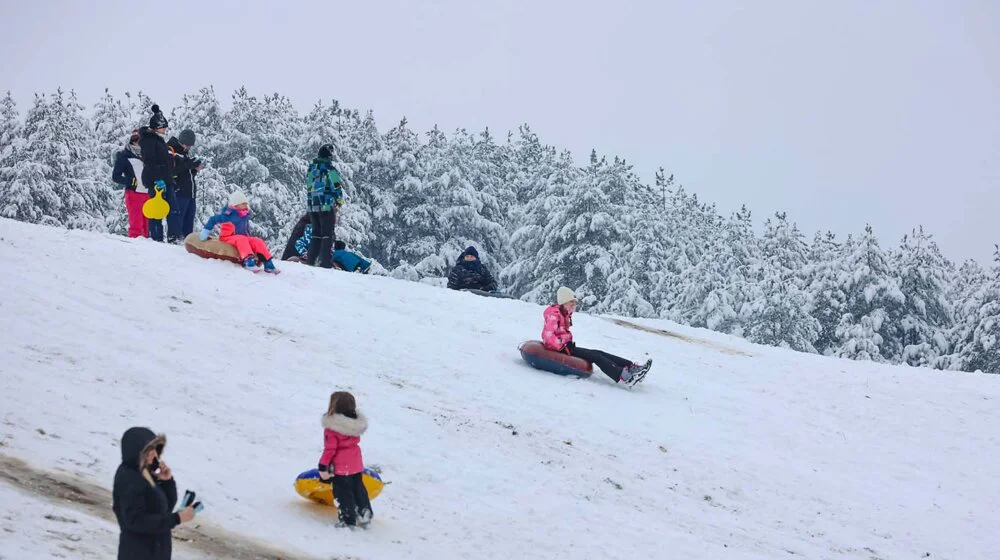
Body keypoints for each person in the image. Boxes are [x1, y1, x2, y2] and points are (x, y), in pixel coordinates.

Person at [112, 427, 196, 560]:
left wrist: (166, 481)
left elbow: (164, 508)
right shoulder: (130, 479)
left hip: (156, 552)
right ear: (137, 453)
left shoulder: (145, 472)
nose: (154, 455)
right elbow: (136, 521)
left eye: (155, 450)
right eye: (148, 451)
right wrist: (177, 518)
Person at [542, 287, 651, 386]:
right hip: (561, 349)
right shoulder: (554, 314)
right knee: (595, 356)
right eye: (571, 303)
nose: (574, 306)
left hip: (567, 347)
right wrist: (561, 346)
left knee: (599, 352)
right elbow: (548, 335)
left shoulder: (563, 313)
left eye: (574, 303)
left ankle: (632, 368)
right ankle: (625, 376)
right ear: (564, 302)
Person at [317, 391, 373, 528]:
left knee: (343, 493)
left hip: (341, 468)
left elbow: (330, 450)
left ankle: (348, 520)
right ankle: (364, 513)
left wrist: (323, 465)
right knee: (358, 489)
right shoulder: (355, 425)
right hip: (356, 464)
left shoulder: (332, 428)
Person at [199, 191, 279, 273]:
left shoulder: (244, 215)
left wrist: (251, 240)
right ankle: (248, 261)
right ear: (235, 205)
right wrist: (206, 231)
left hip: (243, 238)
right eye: (243, 203)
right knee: (241, 238)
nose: (245, 205)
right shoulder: (227, 215)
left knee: (258, 241)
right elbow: (213, 219)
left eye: (246, 203)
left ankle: (268, 263)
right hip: (227, 238)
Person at [138, 105, 176, 242]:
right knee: (156, 211)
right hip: (155, 180)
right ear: (157, 127)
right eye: (163, 127)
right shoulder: (149, 141)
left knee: (171, 209)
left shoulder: (159, 141)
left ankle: (170, 237)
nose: (165, 130)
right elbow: (149, 161)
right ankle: (156, 238)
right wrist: (158, 179)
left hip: (165, 179)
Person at [304, 145, 344, 268]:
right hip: (326, 206)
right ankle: (325, 263)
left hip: (312, 207)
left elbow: (309, 186)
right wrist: (339, 201)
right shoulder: (329, 169)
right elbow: (336, 186)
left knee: (316, 234)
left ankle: (311, 261)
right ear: (329, 156)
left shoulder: (311, 169)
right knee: (327, 235)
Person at [111, 129, 148, 238]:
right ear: (132, 141)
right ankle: (135, 247)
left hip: (148, 193)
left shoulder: (147, 155)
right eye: (135, 140)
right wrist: (130, 181)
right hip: (134, 193)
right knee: (136, 224)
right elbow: (115, 176)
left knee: (147, 225)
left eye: (140, 140)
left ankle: (148, 249)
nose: (138, 142)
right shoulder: (124, 156)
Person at [167, 129, 202, 241]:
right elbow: (172, 170)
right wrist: (190, 165)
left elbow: (186, 173)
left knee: (188, 219)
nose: (188, 147)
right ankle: (174, 238)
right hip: (179, 191)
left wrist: (194, 168)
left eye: (190, 145)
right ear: (181, 141)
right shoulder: (171, 151)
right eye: (187, 145)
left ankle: (187, 240)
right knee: (177, 217)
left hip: (190, 193)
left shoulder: (184, 154)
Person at [293, 227, 371, 273]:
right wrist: (305, 253)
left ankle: (365, 266)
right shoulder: (309, 234)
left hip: (327, 253)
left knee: (347, 254)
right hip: (319, 255)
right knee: (341, 254)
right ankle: (355, 268)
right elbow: (298, 243)